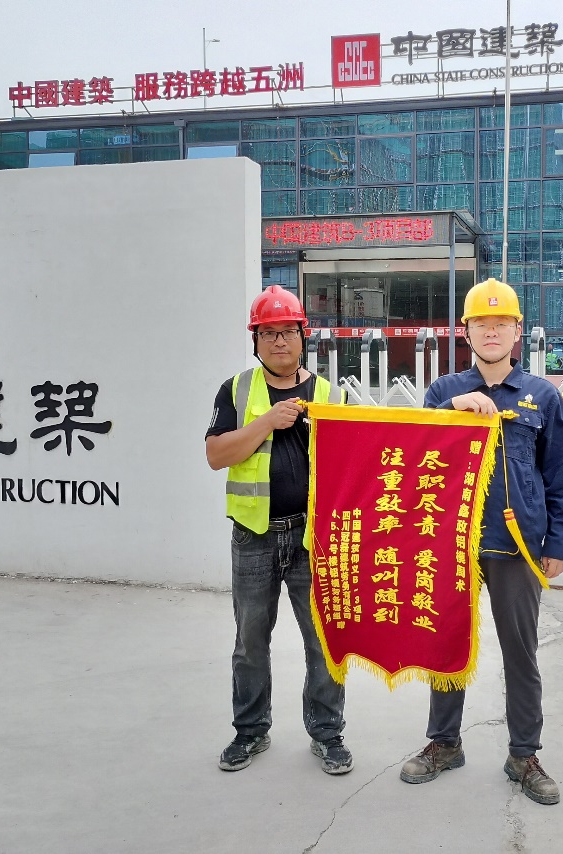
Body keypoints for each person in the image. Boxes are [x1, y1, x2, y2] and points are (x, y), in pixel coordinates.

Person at [399, 277, 563, 805]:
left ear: (517, 331)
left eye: (502, 323)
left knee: (520, 652)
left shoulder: (542, 396)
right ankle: (444, 743)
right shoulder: (443, 392)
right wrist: (454, 409)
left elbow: (561, 477)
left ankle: (524, 754)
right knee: (447, 644)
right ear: (467, 332)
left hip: (517, 545)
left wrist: (558, 543)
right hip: (451, 544)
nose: (492, 332)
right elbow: (416, 451)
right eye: (482, 323)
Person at [205, 285, 352, 775]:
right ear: (256, 340)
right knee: (250, 641)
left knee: (323, 641)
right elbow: (216, 455)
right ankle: (250, 731)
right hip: (254, 536)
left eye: (288, 331)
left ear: (302, 337)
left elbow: (355, 466)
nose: (279, 341)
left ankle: (327, 734)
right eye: (268, 333)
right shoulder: (236, 391)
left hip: (315, 539)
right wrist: (267, 421)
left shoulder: (331, 396)